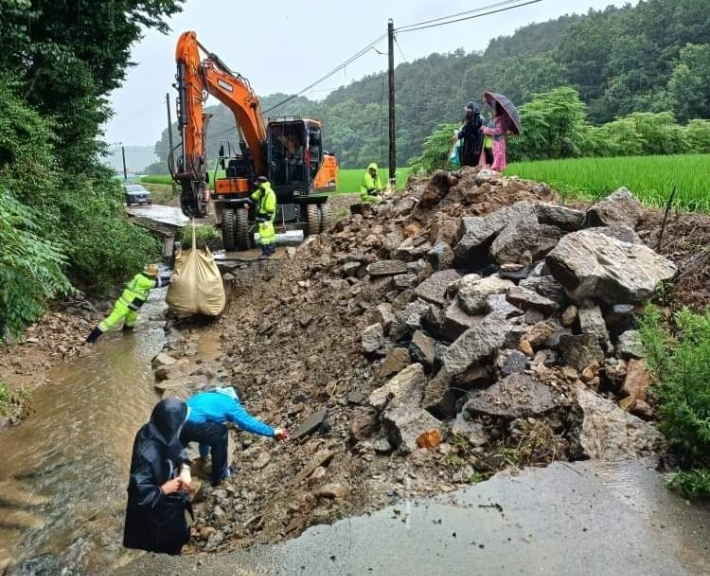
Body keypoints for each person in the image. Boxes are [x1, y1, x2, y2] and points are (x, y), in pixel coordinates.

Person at [123, 398, 192, 556]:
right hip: (156, 513)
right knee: (164, 547)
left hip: (168, 501)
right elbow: (138, 494)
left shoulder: (160, 430)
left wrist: (185, 468)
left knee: (177, 536)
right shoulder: (147, 455)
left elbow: (176, 447)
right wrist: (163, 490)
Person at [179, 386, 288, 487]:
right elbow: (249, 423)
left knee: (174, 450)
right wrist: (273, 431)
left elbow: (203, 430)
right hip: (195, 425)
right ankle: (220, 476)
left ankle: (167, 474)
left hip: (179, 421)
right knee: (221, 432)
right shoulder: (230, 403)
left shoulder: (208, 395)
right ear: (236, 398)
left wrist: (203, 456)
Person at [85, 264, 171, 343]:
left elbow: (157, 279)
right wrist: (170, 281)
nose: (156, 275)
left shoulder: (141, 276)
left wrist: (169, 277)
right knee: (109, 322)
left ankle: (126, 336)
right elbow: (158, 284)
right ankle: (90, 340)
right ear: (152, 274)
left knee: (131, 320)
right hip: (124, 306)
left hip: (131, 306)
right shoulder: (144, 281)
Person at [250, 176, 277, 259]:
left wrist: (267, 220)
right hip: (264, 216)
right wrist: (248, 202)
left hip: (266, 216)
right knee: (270, 233)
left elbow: (270, 209)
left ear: (262, 184)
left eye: (258, 184)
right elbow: (254, 197)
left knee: (264, 235)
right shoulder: (262, 191)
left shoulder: (270, 194)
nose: (257, 186)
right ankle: (272, 249)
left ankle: (266, 253)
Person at [481, 101, 509, 172]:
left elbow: (497, 131)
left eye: (493, 110)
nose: (492, 112)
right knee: (497, 156)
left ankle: (499, 172)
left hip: (499, 141)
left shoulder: (500, 120)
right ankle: (498, 171)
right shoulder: (497, 119)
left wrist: (485, 129)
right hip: (496, 141)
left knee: (499, 157)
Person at [455, 101, 484, 167]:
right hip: (467, 143)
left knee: (472, 162)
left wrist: (477, 148)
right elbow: (465, 130)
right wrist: (458, 135)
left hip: (475, 144)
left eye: (469, 111)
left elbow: (477, 134)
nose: (468, 112)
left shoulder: (478, 119)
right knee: (466, 161)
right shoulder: (469, 118)